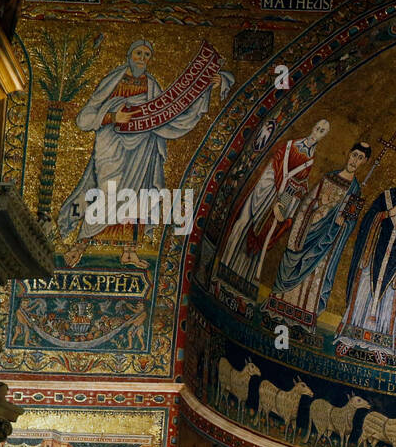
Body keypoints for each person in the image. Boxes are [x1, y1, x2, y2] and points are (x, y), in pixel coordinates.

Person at [57, 39, 231, 268]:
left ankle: (129, 251)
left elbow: (171, 114)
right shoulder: (113, 81)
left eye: (146, 55)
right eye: (138, 53)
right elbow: (85, 118)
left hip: (143, 149)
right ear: (129, 55)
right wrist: (111, 117)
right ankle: (80, 245)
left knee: (137, 197)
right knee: (106, 193)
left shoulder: (152, 86)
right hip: (111, 147)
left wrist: (208, 85)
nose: (142, 58)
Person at [214, 119, 330, 298]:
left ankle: (242, 284)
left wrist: (282, 206)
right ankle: (223, 270)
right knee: (244, 223)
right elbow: (272, 167)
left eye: (322, 131)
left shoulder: (310, 160)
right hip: (265, 190)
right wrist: (276, 193)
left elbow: (297, 186)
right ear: (312, 127)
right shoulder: (290, 146)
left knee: (262, 238)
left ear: (324, 136)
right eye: (317, 127)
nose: (318, 131)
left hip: (278, 202)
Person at [265, 140, 371, 329]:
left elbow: (349, 223)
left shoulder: (355, 191)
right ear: (348, 154)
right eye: (354, 155)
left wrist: (342, 222)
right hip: (307, 231)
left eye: (360, 158)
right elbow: (306, 200)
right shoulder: (327, 178)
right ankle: (277, 309)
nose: (355, 160)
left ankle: (302, 320)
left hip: (325, 244)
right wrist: (319, 206)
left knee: (314, 277)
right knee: (292, 262)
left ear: (364, 162)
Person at [336, 159, 396, 354]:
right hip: (374, 254)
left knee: (389, 298)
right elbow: (366, 222)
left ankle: (381, 346)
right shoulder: (387, 196)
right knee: (364, 289)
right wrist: (387, 214)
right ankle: (349, 337)